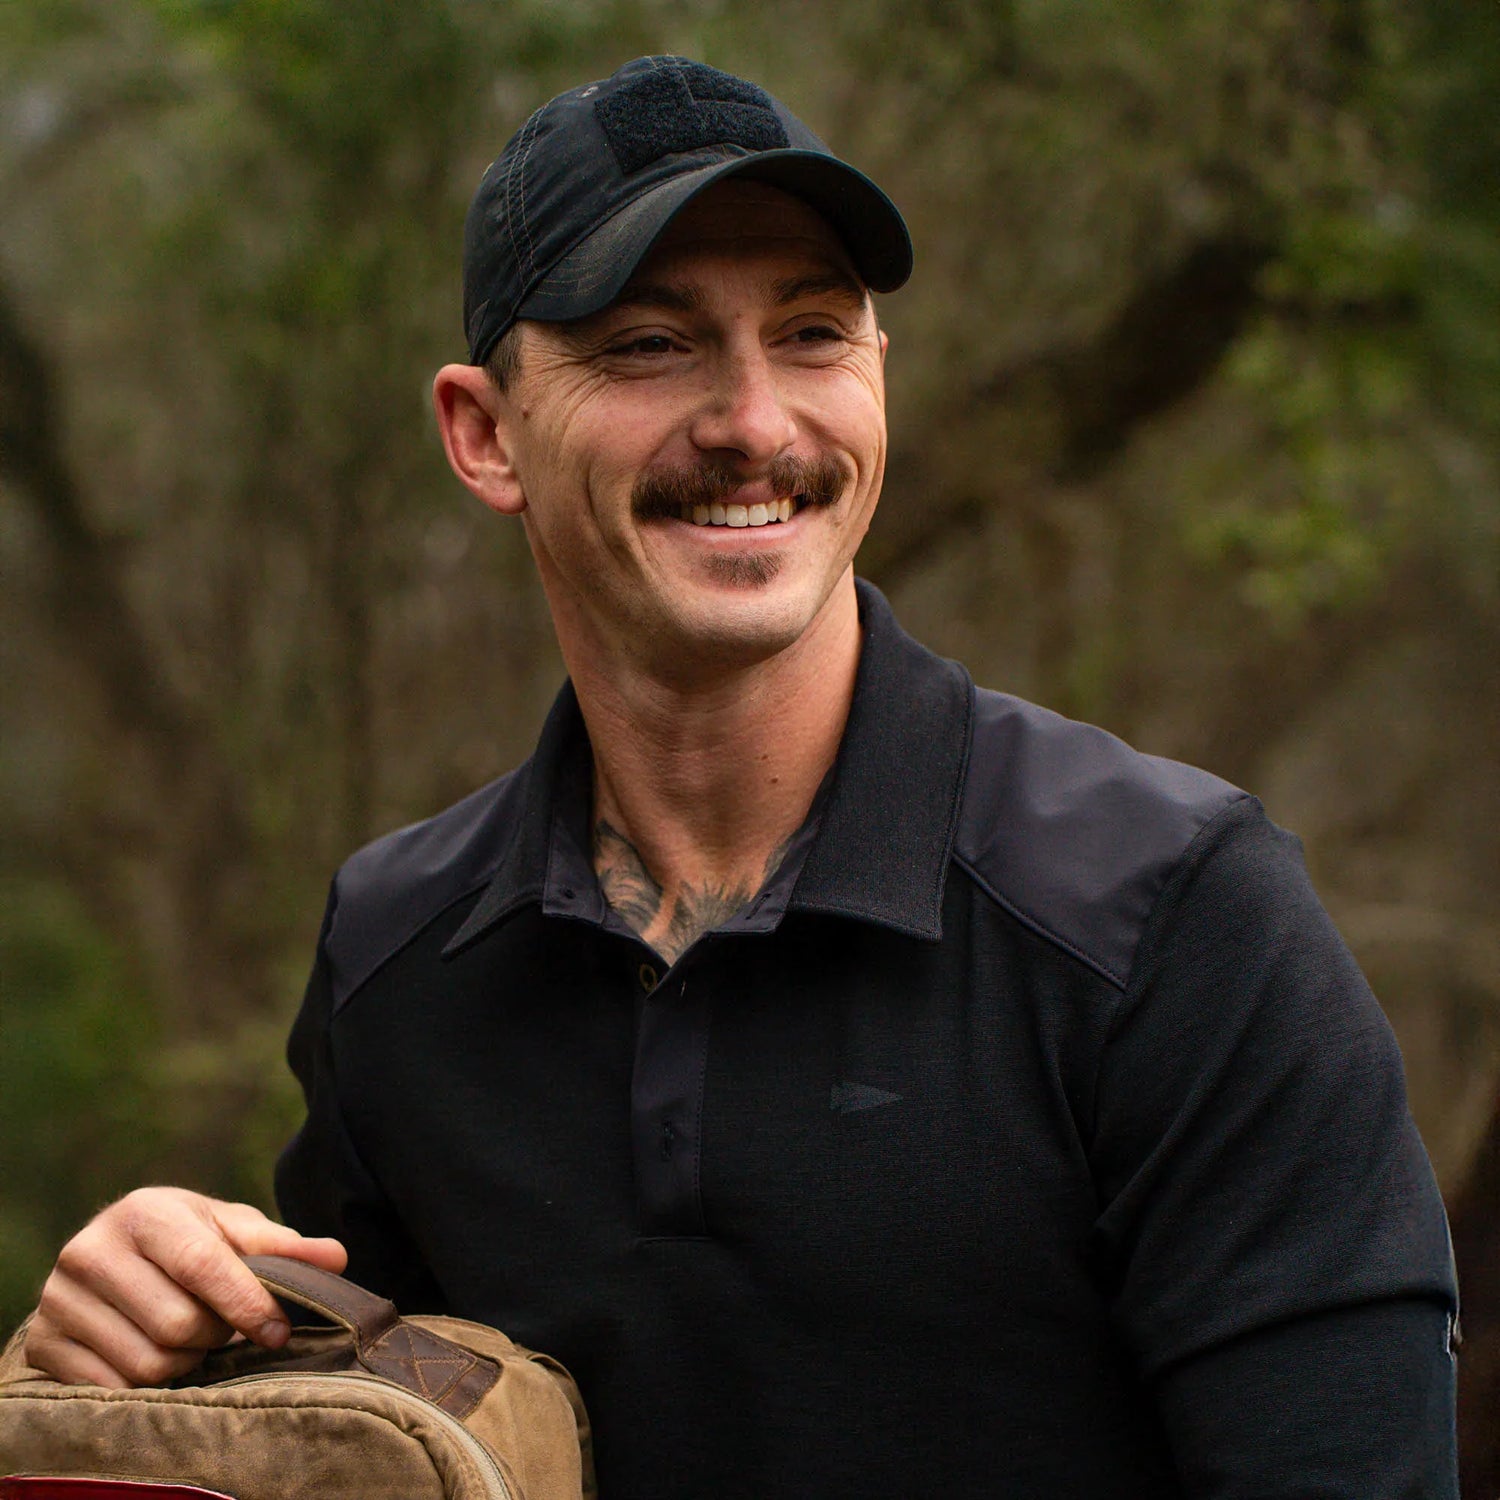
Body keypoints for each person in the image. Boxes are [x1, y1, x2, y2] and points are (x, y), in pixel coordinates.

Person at [19, 56, 1459, 1498]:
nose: (756, 424)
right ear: (483, 433)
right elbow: (380, 1429)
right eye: (650, 345)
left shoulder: (1173, 921)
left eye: (815, 332)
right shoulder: (397, 958)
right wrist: (183, 1312)